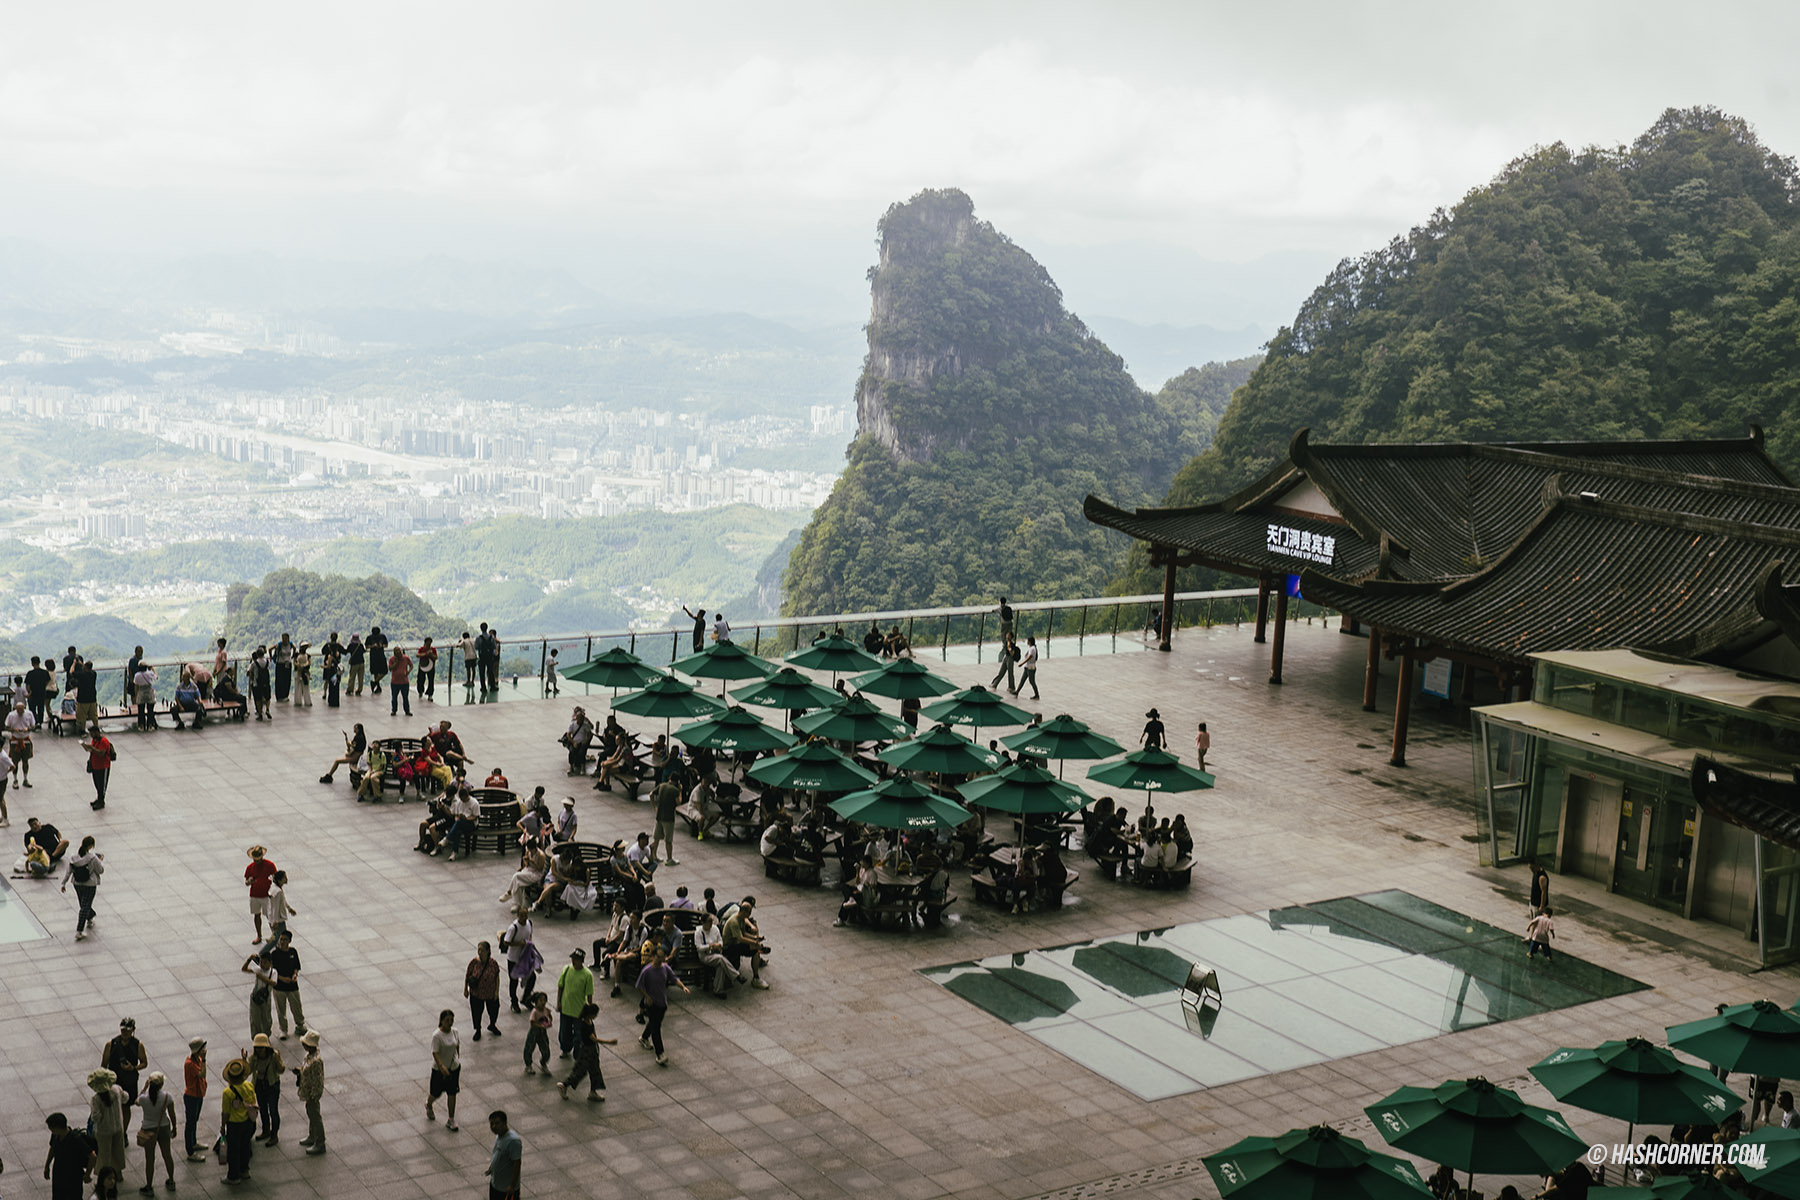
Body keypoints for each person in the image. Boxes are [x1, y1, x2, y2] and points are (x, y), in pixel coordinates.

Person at [635, 946, 691, 1067]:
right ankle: (660, 1054)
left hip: (662, 1003)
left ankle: (644, 1037)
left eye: (662, 957)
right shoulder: (647, 971)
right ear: (653, 957)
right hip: (651, 1004)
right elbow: (639, 985)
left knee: (655, 1022)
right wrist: (647, 997)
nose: (661, 959)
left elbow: (674, 978)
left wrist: (683, 987)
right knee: (656, 1028)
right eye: (658, 957)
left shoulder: (665, 968)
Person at [558, 1002, 616, 1103]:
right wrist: (609, 1042)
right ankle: (564, 1085)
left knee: (595, 1071)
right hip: (586, 1052)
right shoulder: (584, 1025)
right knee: (580, 1071)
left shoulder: (588, 1021)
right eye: (595, 1014)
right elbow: (593, 1039)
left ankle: (593, 1091)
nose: (596, 1016)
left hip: (592, 1051)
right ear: (590, 1014)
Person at [218, 1056, 257, 1185]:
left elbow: (226, 1112)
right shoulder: (249, 1086)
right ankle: (244, 1170)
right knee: (245, 1146)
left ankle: (233, 1176)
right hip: (248, 1122)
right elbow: (252, 1102)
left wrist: (223, 1126)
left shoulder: (227, 1093)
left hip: (234, 1125)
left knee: (234, 1150)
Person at [87, 1069, 129, 1181]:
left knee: (104, 1155)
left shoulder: (96, 1099)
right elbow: (126, 1098)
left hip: (103, 1131)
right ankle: (118, 1174)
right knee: (118, 1151)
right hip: (118, 1126)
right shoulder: (116, 1089)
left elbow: (95, 1117)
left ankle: (105, 1178)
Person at [44, 1111, 97, 1200]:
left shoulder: (75, 1139)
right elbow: (52, 1148)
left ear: (57, 1128)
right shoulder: (56, 1135)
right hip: (59, 1174)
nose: (50, 1130)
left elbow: (92, 1156)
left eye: (51, 1128)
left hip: (73, 1177)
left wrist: (87, 1174)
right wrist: (47, 1165)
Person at [722, 895, 771, 989]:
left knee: (755, 949)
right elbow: (740, 938)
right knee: (755, 948)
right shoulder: (734, 921)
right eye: (749, 913)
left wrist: (755, 938)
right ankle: (756, 977)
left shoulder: (741, 919)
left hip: (736, 943)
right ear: (744, 911)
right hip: (729, 947)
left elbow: (744, 933)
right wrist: (754, 943)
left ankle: (756, 974)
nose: (749, 916)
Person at [555, 948, 594, 1059]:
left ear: (581, 961)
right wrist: (558, 1002)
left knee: (578, 1035)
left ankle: (578, 1056)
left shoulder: (587, 975)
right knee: (564, 1033)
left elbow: (589, 994)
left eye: (576, 960)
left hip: (579, 1011)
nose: (573, 962)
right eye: (572, 959)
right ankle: (565, 1049)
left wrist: (589, 1012)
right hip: (566, 1008)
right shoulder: (566, 969)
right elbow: (560, 986)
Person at [62, 835, 103, 940]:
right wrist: (100, 860)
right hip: (90, 884)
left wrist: (63, 883)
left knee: (83, 903)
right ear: (91, 846)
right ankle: (79, 931)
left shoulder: (73, 858)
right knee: (85, 906)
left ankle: (90, 917)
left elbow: (68, 872)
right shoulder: (93, 858)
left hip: (77, 884)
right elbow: (100, 870)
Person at [500, 911, 541, 1013]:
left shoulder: (529, 923)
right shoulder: (513, 928)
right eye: (521, 916)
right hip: (513, 958)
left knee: (532, 977)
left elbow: (530, 934)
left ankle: (526, 998)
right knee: (514, 981)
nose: (524, 918)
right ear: (518, 916)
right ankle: (514, 1002)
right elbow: (506, 942)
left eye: (525, 915)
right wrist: (519, 943)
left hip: (524, 957)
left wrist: (529, 943)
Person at [269, 930, 307, 1040]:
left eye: (285, 939)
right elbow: (272, 970)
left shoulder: (293, 952)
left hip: (292, 985)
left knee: (296, 1006)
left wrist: (295, 975)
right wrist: (281, 978)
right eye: (281, 939)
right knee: (281, 1008)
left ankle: (300, 1025)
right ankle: (283, 1029)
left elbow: (296, 966)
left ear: (289, 941)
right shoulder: (274, 954)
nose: (282, 942)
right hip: (279, 986)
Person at [293, 1031, 326, 1155]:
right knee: (311, 1114)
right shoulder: (309, 1056)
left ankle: (320, 1142)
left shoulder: (316, 1061)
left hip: (312, 1094)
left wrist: (314, 1096)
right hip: (308, 1092)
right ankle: (312, 1136)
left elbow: (318, 1080)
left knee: (315, 1116)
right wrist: (300, 1071)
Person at [428, 1009, 461, 1131]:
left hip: (453, 1068)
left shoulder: (455, 1032)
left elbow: (457, 1045)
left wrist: (457, 1059)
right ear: (441, 1021)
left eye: (451, 1020)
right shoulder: (437, 1036)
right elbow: (435, 1053)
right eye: (447, 1020)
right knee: (435, 1093)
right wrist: (442, 1066)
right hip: (439, 1070)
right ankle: (429, 1104)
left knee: (452, 1093)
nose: (450, 1022)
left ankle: (451, 1119)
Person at [101, 1019, 147, 1106]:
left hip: (129, 1080)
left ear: (133, 1030)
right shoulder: (111, 1044)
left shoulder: (138, 1045)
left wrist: (133, 1068)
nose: (125, 1032)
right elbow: (103, 1065)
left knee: (126, 1106)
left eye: (128, 1030)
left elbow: (144, 1063)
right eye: (123, 1030)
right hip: (114, 1080)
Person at [248, 1034, 283, 1147]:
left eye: (261, 1048)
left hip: (272, 1085)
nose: (259, 1050)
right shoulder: (254, 1058)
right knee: (263, 1109)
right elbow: (248, 1071)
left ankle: (274, 1135)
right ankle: (266, 1130)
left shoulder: (273, 1056)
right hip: (260, 1085)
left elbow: (281, 1070)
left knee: (273, 1110)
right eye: (257, 1048)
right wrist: (244, 1060)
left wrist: (278, 1060)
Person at [465, 941, 503, 1041]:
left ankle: (492, 1024)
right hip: (476, 993)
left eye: (482, 950)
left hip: (490, 992)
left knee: (494, 1010)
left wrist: (496, 992)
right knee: (477, 1012)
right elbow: (468, 975)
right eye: (479, 950)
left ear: (488, 951)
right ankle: (478, 1029)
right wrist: (466, 989)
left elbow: (497, 977)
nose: (480, 952)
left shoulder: (493, 963)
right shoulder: (474, 962)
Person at [181, 1038, 208, 1163]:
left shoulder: (198, 1059)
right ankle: (190, 1151)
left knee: (195, 1120)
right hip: (191, 1096)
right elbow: (202, 1074)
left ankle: (194, 1142)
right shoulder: (189, 1064)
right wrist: (205, 1060)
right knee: (190, 1123)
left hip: (199, 1094)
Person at [244, 846, 277, 944]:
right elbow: (246, 882)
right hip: (255, 895)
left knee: (270, 916)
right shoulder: (250, 867)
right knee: (256, 915)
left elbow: (275, 877)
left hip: (267, 895)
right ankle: (259, 935)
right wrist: (249, 881)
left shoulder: (269, 865)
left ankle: (275, 935)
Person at [486, 1110, 521, 1200]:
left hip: (506, 1189)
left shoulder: (513, 1141)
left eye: (497, 1123)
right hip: (496, 1185)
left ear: (505, 1123)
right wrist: (491, 1168)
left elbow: (517, 1163)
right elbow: (497, 1155)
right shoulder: (499, 1136)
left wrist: (512, 1186)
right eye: (492, 1124)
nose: (494, 1126)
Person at [242, 951, 277, 1040]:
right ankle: (256, 1037)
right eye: (261, 962)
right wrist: (249, 959)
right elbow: (244, 969)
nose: (262, 964)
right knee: (255, 1018)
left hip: (266, 999)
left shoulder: (273, 972)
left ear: (270, 963)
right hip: (255, 997)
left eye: (265, 962)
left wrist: (262, 977)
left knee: (266, 1018)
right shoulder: (258, 969)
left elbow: (273, 983)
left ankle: (266, 1036)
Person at [650, 774, 681, 867]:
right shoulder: (675, 790)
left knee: (656, 838)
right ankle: (669, 859)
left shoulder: (662, 785)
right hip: (669, 818)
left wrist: (654, 807)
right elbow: (679, 802)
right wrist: (681, 791)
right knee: (668, 840)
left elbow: (651, 794)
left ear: (669, 778)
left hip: (659, 816)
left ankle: (654, 855)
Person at [81, 725, 114, 811]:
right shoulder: (94, 740)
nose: (91, 735)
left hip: (103, 766)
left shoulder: (103, 741)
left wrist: (91, 748)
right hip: (95, 766)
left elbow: (101, 753)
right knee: (97, 783)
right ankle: (99, 798)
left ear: (96, 732)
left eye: (92, 733)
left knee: (102, 785)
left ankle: (101, 801)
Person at [522, 991, 553, 1075]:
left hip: (543, 1032)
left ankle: (544, 1063)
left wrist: (549, 1018)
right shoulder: (534, 1011)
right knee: (529, 1047)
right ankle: (528, 1065)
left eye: (544, 1000)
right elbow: (532, 1022)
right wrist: (541, 1026)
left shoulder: (546, 1010)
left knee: (545, 1048)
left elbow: (549, 1019)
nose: (543, 1002)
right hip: (534, 1032)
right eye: (541, 1000)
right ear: (536, 1002)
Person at [6, 698, 33, 787]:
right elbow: (6, 727)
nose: (20, 712)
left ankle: (25, 779)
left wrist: (28, 729)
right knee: (15, 761)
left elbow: (33, 725)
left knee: (25, 761)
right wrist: (14, 729)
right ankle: (15, 779)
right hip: (15, 739)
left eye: (21, 710)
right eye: (18, 710)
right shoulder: (11, 715)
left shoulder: (29, 714)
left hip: (25, 738)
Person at [130, 661, 158, 731]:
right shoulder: (150, 673)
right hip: (149, 691)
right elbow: (156, 677)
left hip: (141, 692)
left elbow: (136, 685)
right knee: (150, 710)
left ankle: (141, 725)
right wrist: (152, 669)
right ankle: (150, 725)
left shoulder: (137, 675)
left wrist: (136, 695)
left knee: (141, 710)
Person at [389, 645, 413, 717]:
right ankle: (394, 710)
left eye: (400, 652)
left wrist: (408, 672)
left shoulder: (406, 658)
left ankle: (407, 710)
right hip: (395, 682)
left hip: (404, 682)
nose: (399, 654)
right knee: (394, 697)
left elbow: (411, 665)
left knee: (405, 697)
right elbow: (390, 669)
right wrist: (395, 663)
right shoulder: (392, 659)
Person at [366, 626, 388, 696]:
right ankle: (377, 686)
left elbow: (386, 645)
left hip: (380, 655)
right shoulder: (369, 637)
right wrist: (373, 646)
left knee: (384, 671)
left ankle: (374, 682)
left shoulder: (382, 636)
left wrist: (381, 645)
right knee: (376, 672)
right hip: (374, 656)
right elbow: (367, 646)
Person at [273, 633, 294, 704]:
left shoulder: (290, 644)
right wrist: (273, 659)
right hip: (280, 664)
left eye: (285, 638)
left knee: (287, 680)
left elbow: (295, 648)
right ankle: (279, 696)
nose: (284, 640)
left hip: (287, 664)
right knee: (279, 680)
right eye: (283, 638)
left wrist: (292, 657)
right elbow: (271, 649)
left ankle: (285, 695)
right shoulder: (279, 645)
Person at [416, 637, 438, 702]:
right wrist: (425, 654)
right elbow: (417, 655)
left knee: (431, 681)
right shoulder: (421, 649)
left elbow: (436, 657)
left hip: (431, 667)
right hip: (422, 666)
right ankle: (420, 691)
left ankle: (430, 694)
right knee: (420, 679)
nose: (429, 644)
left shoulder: (433, 649)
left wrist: (431, 654)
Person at [292, 642, 313, 708]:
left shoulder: (298, 655)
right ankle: (306, 701)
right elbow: (295, 663)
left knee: (300, 687)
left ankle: (299, 701)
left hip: (302, 671)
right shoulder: (306, 655)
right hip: (303, 671)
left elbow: (295, 663)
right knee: (304, 687)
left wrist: (300, 666)